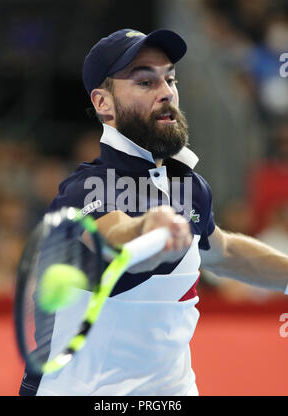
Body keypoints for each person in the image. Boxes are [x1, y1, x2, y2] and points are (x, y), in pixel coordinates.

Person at [20, 28, 288, 396]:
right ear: (103, 103)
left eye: (170, 78)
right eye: (145, 81)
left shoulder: (190, 187)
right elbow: (117, 241)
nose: (166, 92)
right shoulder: (85, 190)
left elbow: (222, 251)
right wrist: (150, 225)